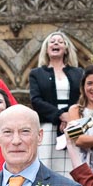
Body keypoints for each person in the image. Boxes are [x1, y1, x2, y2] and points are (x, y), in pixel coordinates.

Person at [28, 30, 84, 175]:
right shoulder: (37, 74)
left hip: (73, 125)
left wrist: (68, 116)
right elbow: (36, 101)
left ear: (66, 48)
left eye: (60, 41)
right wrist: (60, 115)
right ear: (46, 49)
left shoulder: (78, 73)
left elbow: (82, 98)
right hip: (47, 128)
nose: (56, 43)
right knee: (46, 167)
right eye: (52, 42)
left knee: (72, 166)